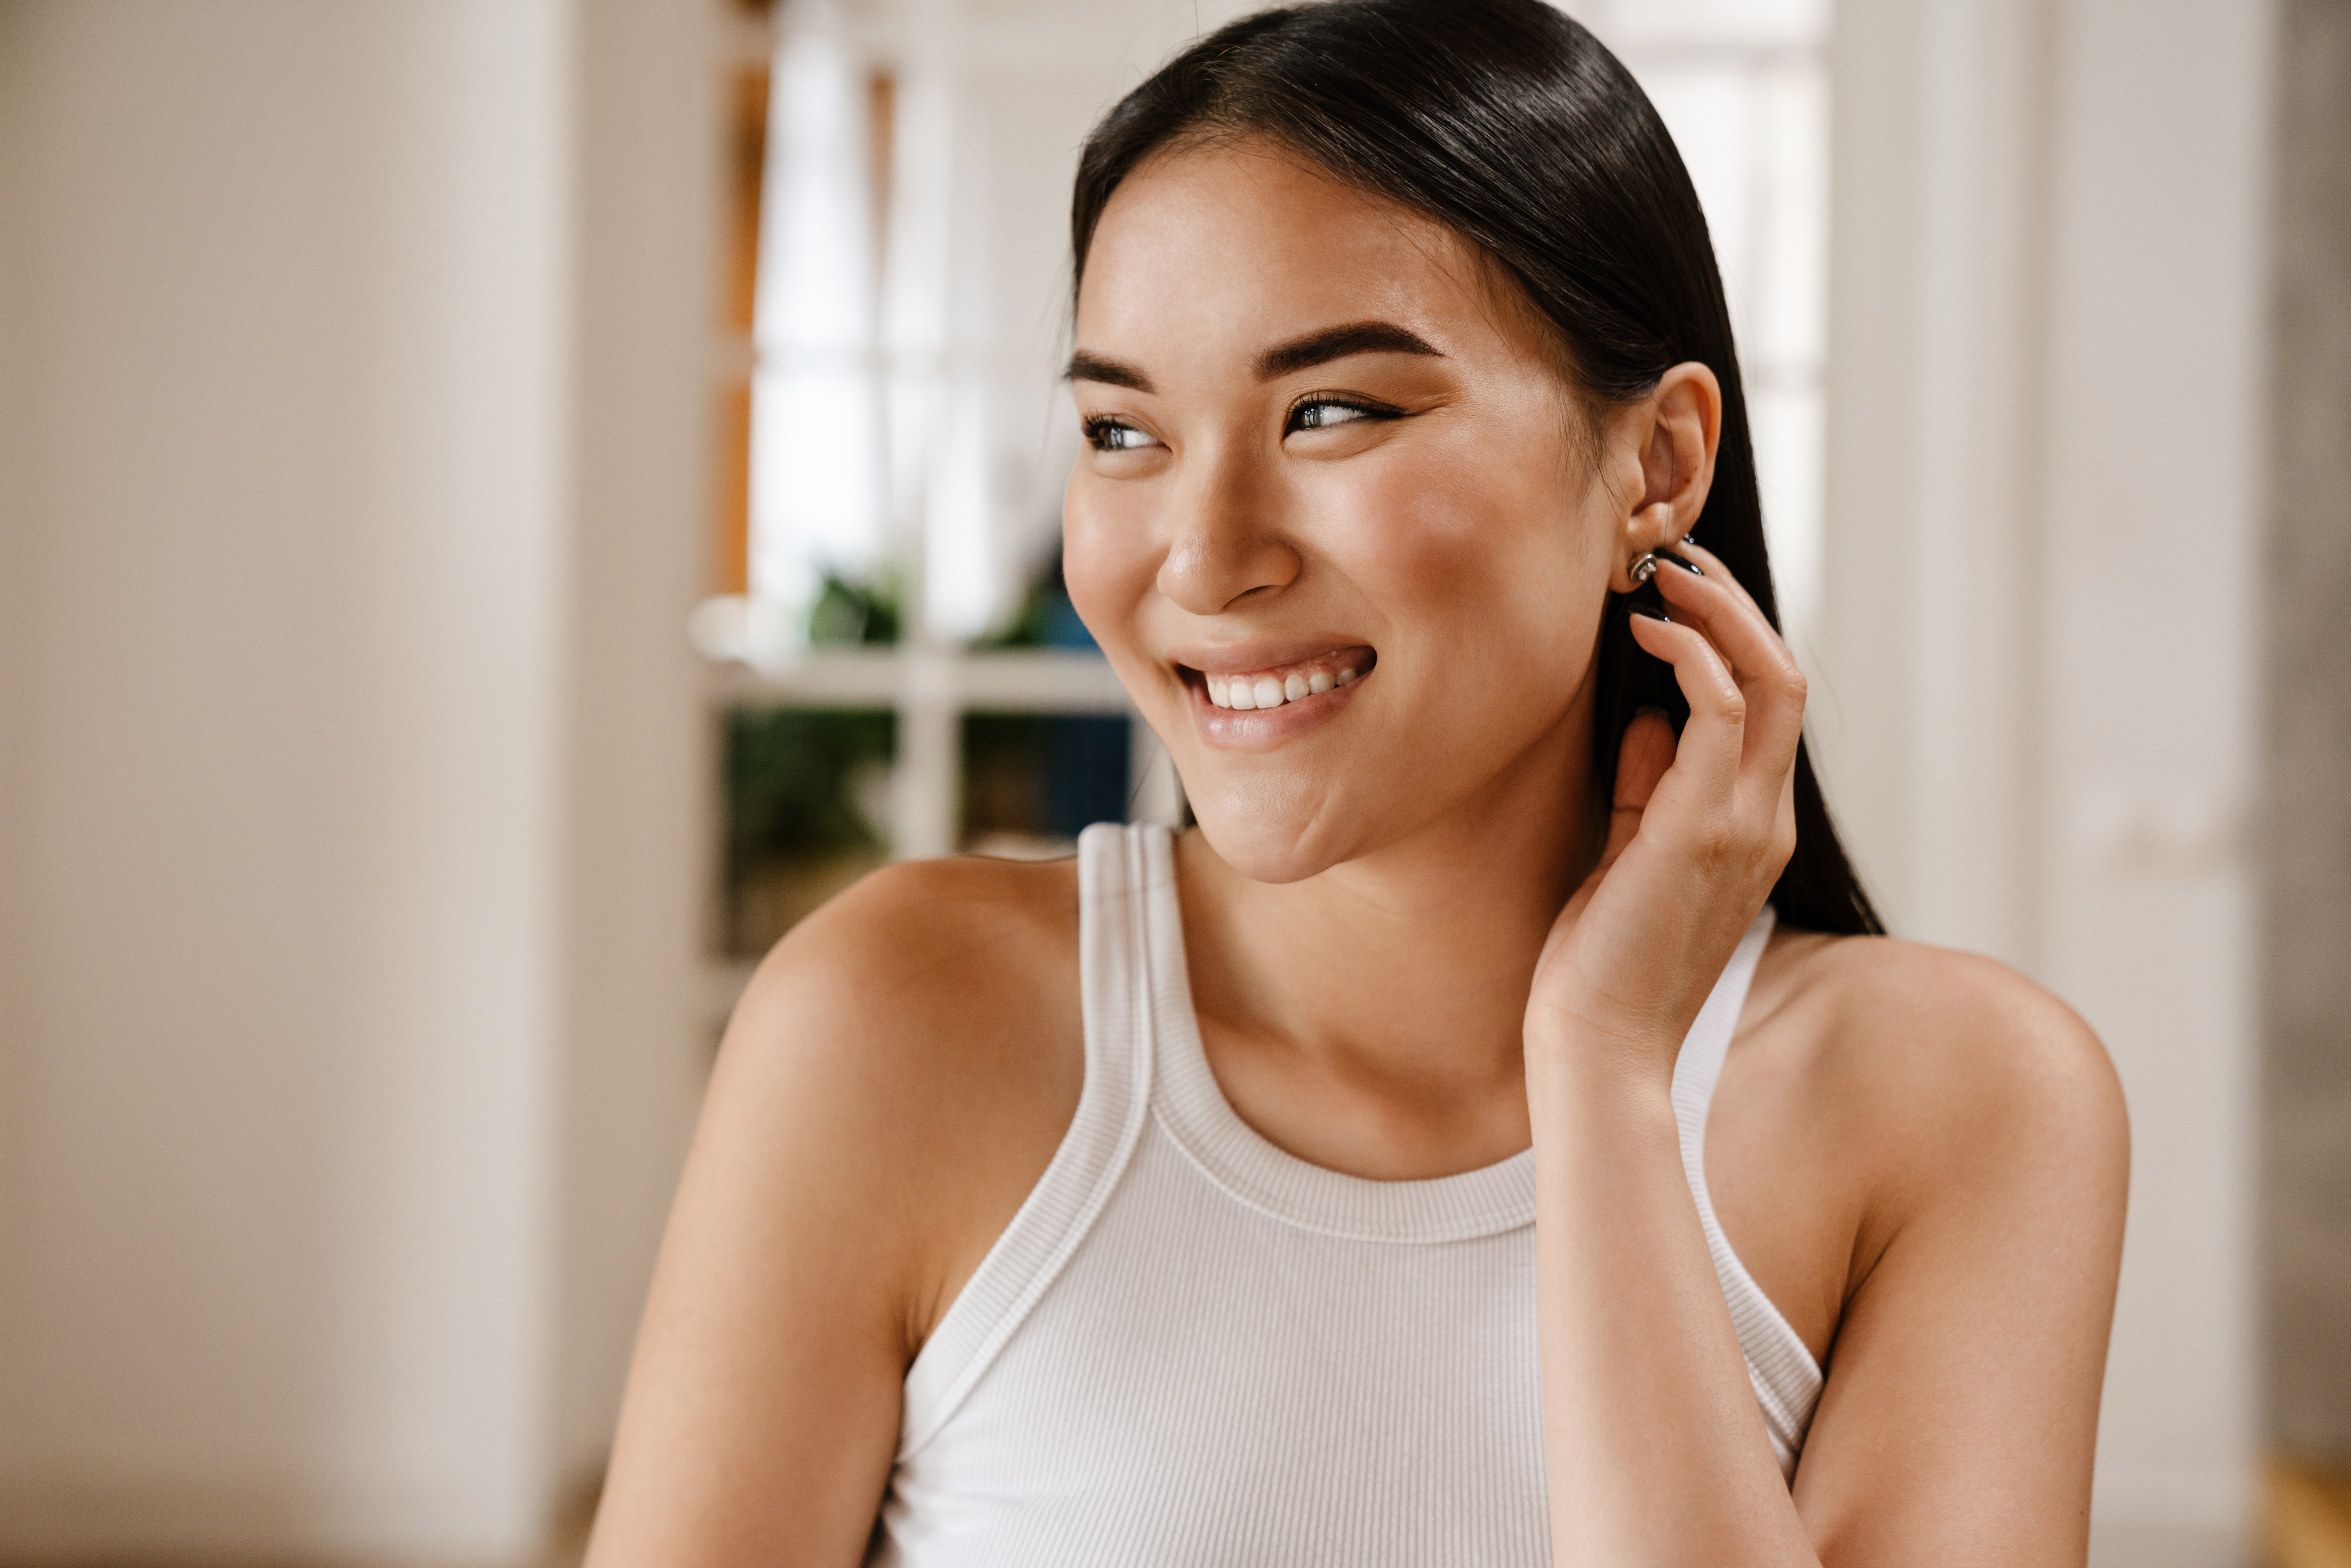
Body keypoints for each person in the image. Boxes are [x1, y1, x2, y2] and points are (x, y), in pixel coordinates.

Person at [584, 2, 2128, 1562]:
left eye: (1332, 412)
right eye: (1122, 429)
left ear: (1656, 466)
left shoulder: (1968, 1105)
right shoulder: (894, 1024)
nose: (1205, 559)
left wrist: (1603, 1074)